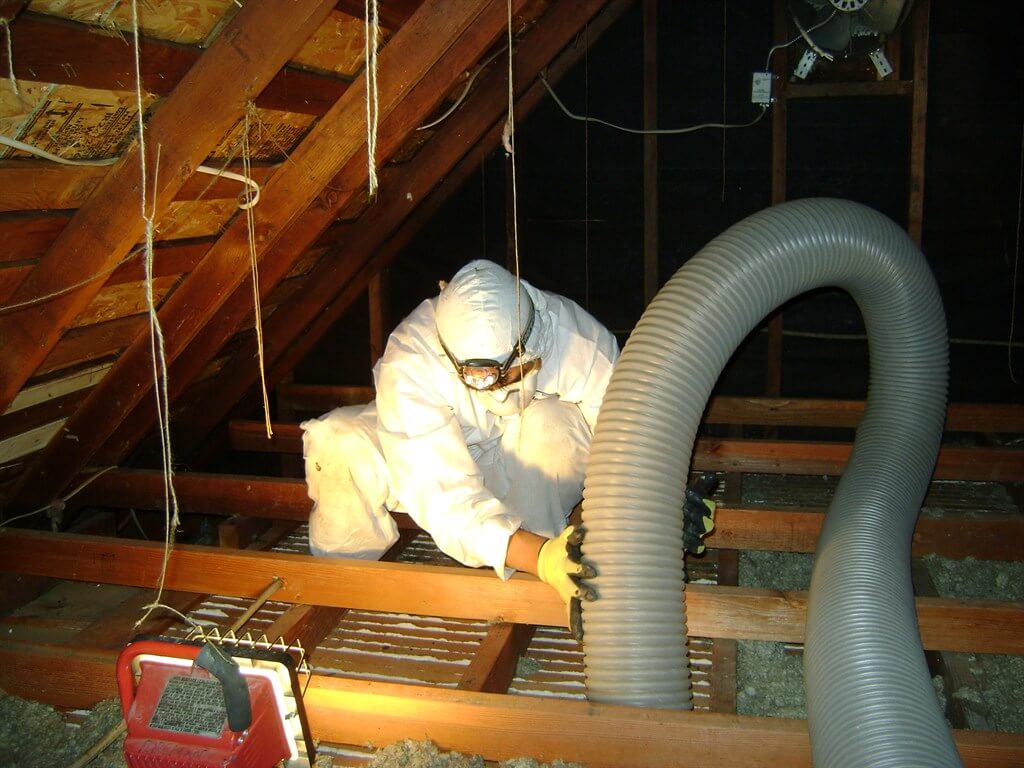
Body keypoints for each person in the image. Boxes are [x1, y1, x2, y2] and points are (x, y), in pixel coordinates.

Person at [302, 259, 715, 635]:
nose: (502, 390)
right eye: (486, 379)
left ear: (533, 338)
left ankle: (548, 554)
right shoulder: (410, 361)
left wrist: (659, 495)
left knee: (555, 427)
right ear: (450, 357)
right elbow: (444, 497)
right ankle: (339, 586)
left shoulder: (572, 337)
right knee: (337, 443)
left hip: (523, 448)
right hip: (435, 453)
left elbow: (630, 426)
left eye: (516, 373)